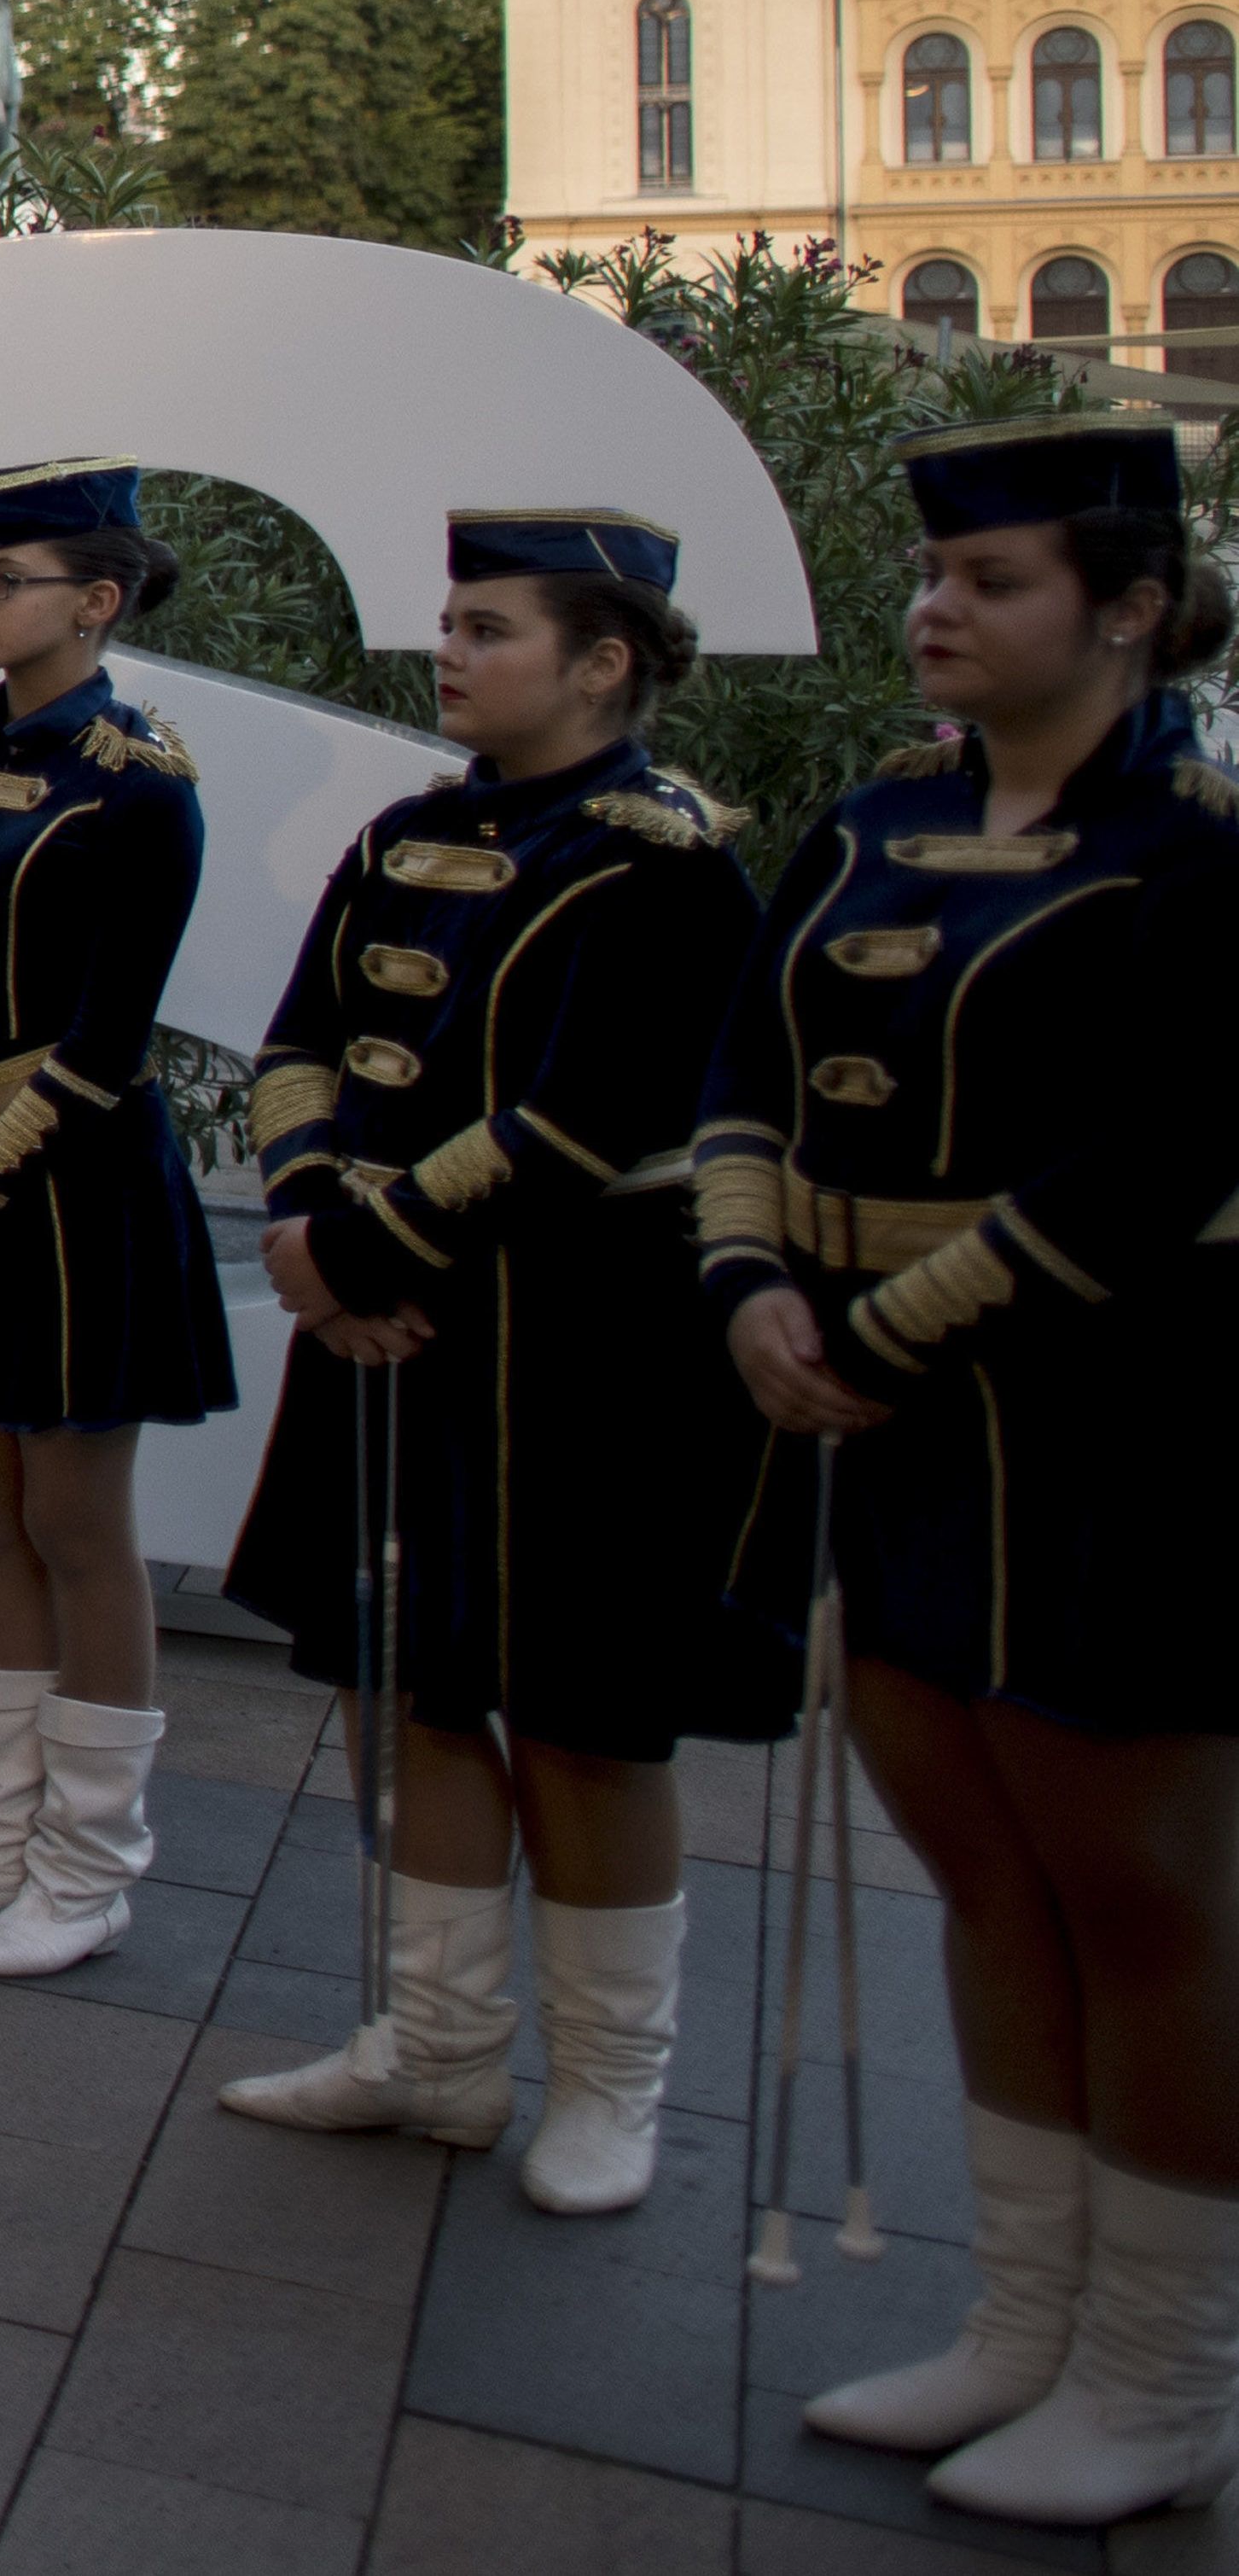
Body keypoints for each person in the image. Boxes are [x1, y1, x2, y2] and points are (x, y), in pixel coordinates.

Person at [716, 411, 1239, 2527]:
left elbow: (1158, 1154)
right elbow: (743, 1062)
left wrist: (869, 1331)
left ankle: (1163, 2375)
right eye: (930, 579)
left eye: (989, 582)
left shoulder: (1192, 845)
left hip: (1112, 1415)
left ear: (1123, 610)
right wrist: (744, 1278)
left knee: (1136, 1891)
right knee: (974, 1861)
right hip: (882, 1404)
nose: (935, 611)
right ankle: (1021, 2324)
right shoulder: (867, 821)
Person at [212, 510, 777, 2218]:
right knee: (421, 1681)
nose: (450, 650)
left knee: (590, 1718)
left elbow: (585, 1115)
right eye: (449, 621)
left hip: (583, 1342)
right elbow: (305, 1039)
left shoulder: (664, 864)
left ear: (605, 659)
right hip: (390, 1312)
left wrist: (359, 1248)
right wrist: (309, 1215)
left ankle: (613, 2084)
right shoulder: (411, 832)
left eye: (492, 626)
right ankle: (439, 2047)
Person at [0, 457, 230, 1979]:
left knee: (79, 1521)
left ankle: (89, 1864)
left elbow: (102, 1035)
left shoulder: (143, 780)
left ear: (97, 598)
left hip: (67, 1191)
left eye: (4, 582)